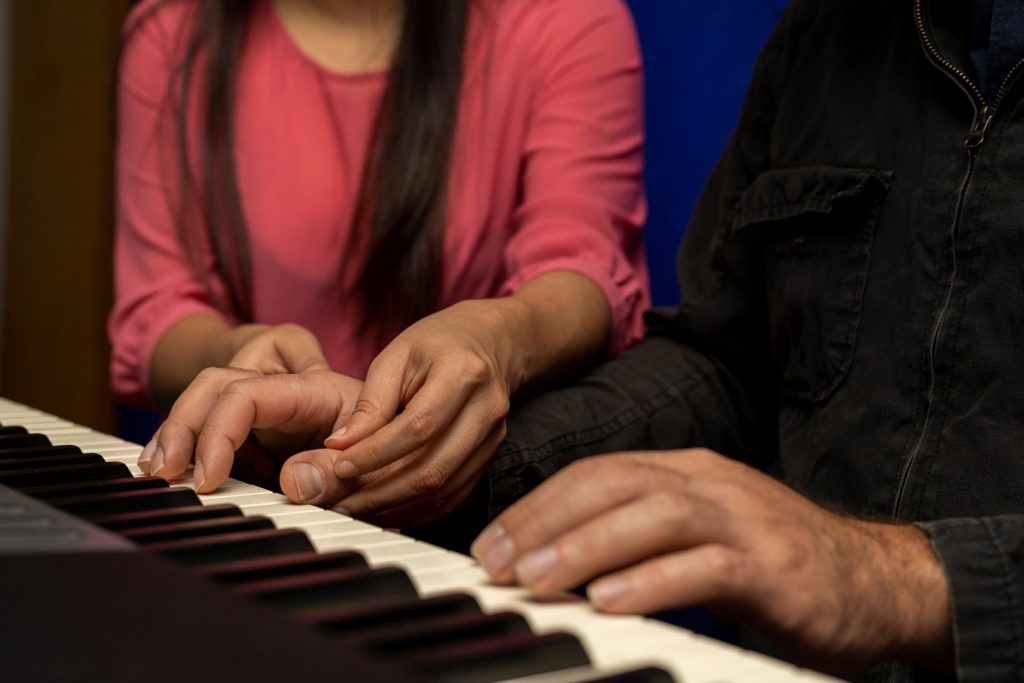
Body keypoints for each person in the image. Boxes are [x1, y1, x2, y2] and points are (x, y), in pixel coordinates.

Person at [144, 0, 1024, 678]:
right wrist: (412, 444)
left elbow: (581, 266)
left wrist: (898, 579)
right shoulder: (830, 33)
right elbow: (728, 368)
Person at [111, 0, 650, 522]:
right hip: (250, 497)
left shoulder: (568, 18)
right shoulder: (173, 29)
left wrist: (492, 338)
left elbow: (584, 271)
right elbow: (157, 309)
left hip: (481, 509)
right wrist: (239, 356)